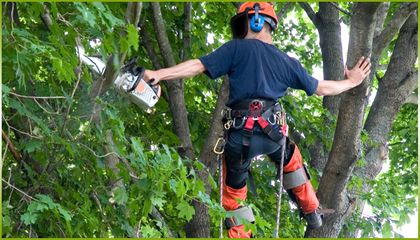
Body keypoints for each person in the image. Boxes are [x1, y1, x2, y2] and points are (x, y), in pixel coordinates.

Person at [139, 2, 371, 238]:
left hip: (238, 137)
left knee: (233, 195)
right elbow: (322, 88)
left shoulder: (235, 49)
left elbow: (197, 66)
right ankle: (311, 210)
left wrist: (159, 74)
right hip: (273, 136)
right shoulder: (286, 62)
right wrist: (352, 82)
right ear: (265, 22)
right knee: (291, 159)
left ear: (253, 21)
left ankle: (241, 235)